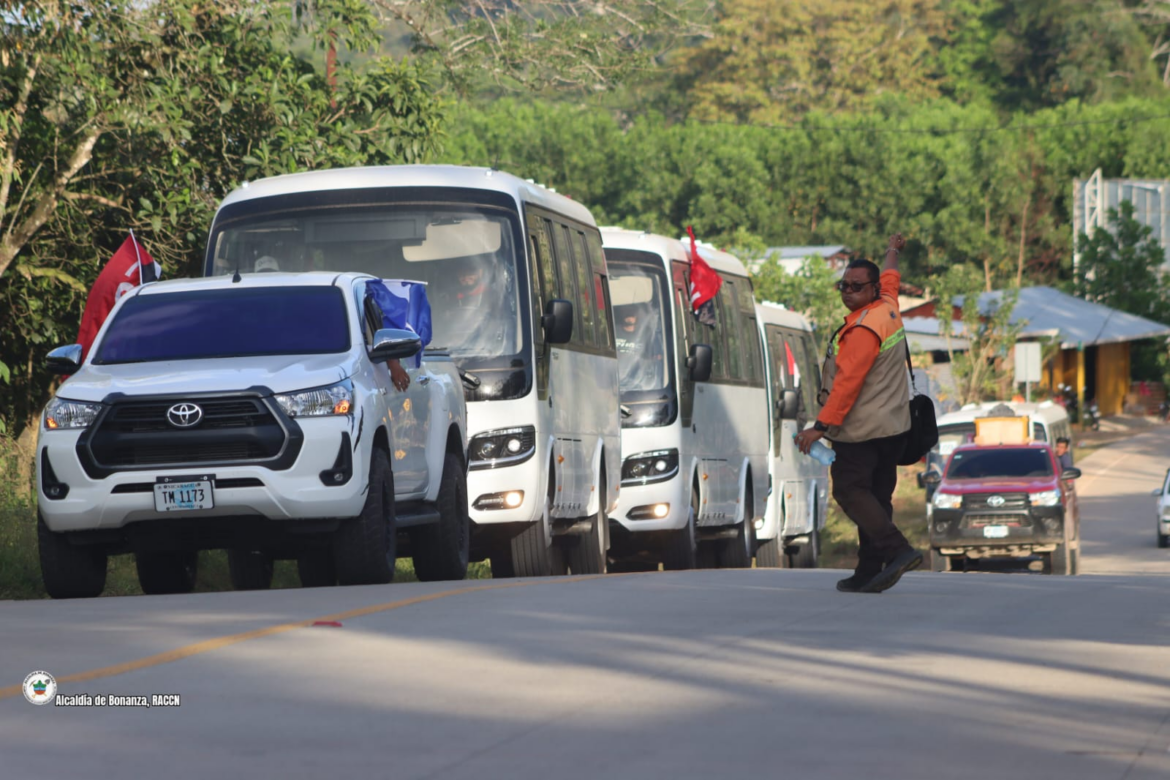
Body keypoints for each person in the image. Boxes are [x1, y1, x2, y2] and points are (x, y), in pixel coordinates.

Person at [795, 233, 923, 594]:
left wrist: (820, 428)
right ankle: (869, 570)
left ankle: (898, 550)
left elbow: (847, 383)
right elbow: (892, 276)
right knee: (877, 498)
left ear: (871, 289)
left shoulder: (865, 328)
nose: (847, 291)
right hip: (893, 429)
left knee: (850, 491)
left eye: (855, 286)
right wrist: (892, 252)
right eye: (843, 285)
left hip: (863, 431)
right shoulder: (888, 306)